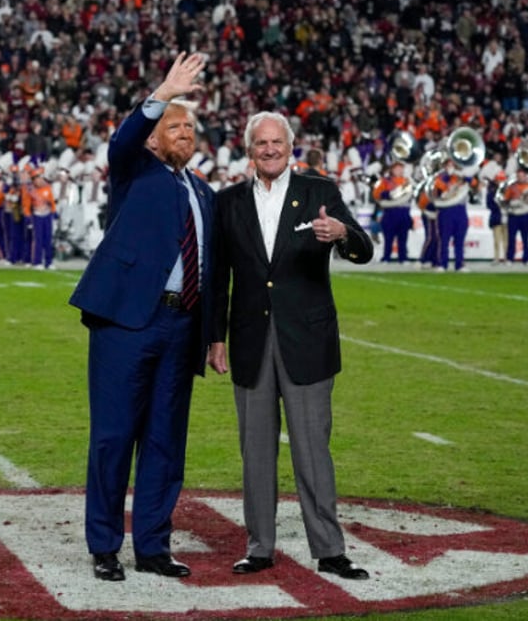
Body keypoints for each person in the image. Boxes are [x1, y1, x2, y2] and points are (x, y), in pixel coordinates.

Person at [208, 111, 373, 580]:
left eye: (277, 141)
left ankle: (330, 549)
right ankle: (259, 546)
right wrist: (214, 337)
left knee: (312, 451)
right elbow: (220, 278)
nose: (270, 149)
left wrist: (342, 235)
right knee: (255, 452)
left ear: (291, 146)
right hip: (249, 341)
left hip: (308, 341)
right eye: (261, 142)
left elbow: (363, 247)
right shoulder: (229, 202)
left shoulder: (320, 192)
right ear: (249, 149)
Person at [68, 52, 214, 582]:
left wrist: (212, 336)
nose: (183, 132)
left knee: (164, 441)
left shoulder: (203, 192)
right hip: (128, 321)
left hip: (182, 326)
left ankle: (153, 545)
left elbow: (213, 269)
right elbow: (121, 141)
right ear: (153, 136)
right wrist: (164, 92)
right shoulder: (134, 168)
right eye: (174, 125)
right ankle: (105, 545)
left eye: (190, 127)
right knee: (113, 435)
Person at [433, 158, 476, 272]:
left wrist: (461, 175)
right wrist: (449, 179)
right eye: (448, 165)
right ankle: (442, 264)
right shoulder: (440, 178)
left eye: (453, 165)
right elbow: (441, 192)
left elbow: (474, 183)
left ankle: (459, 264)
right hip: (446, 210)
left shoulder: (461, 177)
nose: (451, 167)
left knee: (460, 240)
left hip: (460, 210)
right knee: (444, 239)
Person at [372, 160, 413, 263]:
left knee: (403, 238)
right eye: (397, 168)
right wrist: (388, 194)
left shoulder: (407, 181)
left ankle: (403, 258)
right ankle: (386, 257)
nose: (399, 170)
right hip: (390, 212)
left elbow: (409, 195)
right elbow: (377, 194)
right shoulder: (385, 181)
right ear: (392, 170)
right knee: (388, 238)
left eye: (401, 168)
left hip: (403, 211)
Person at [502, 168, 528, 264]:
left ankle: (526, 258)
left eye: (522, 176)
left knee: (526, 238)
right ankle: (510, 258)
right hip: (514, 215)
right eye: (519, 176)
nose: (520, 178)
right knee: (511, 238)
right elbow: (506, 200)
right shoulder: (512, 187)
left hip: (525, 214)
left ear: (525, 176)